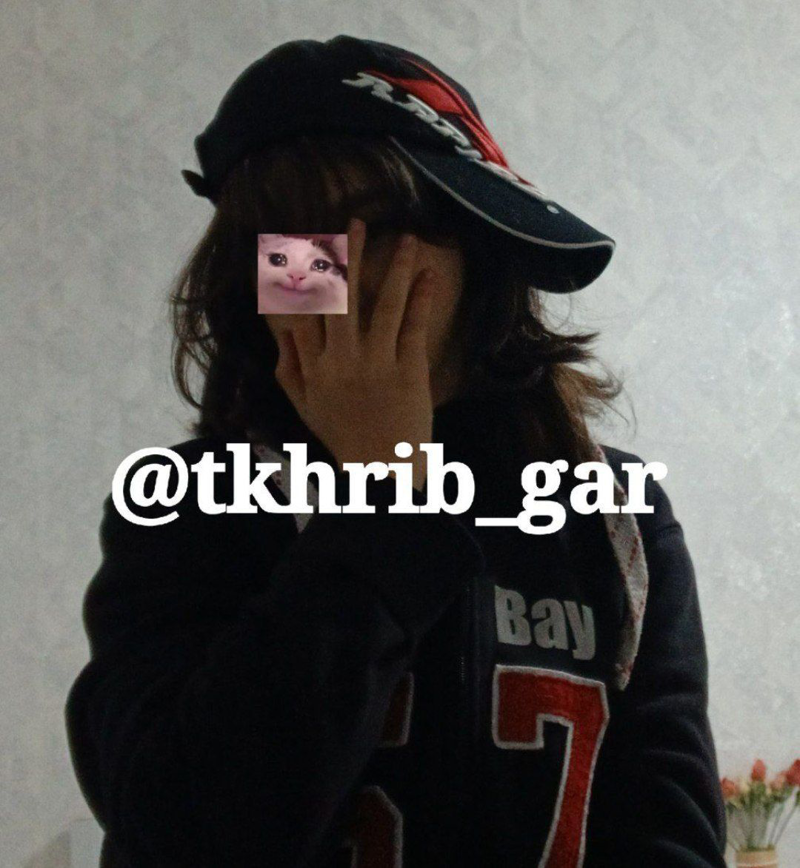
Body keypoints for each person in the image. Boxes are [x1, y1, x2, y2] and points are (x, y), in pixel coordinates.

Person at [64, 35, 729, 867]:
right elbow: (181, 832)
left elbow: (670, 838)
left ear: (477, 246)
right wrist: (385, 500)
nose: (334, 274)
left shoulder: (612, 512)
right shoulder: (187, 503)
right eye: (291, 243)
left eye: (376, 224)